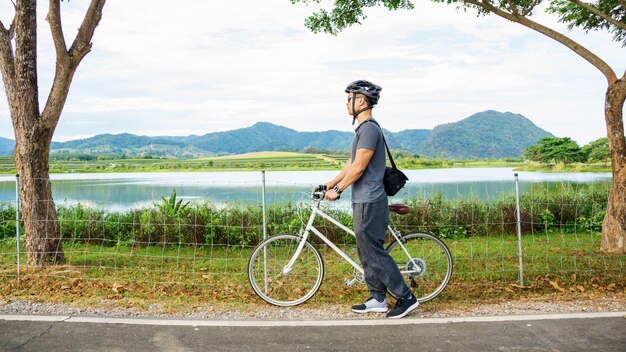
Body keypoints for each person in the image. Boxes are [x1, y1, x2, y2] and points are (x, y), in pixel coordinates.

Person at [320, 80, 419, 319]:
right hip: (363, 199)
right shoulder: (363, 130)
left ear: (361, 101)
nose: (346, 103)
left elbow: (360, 167)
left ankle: (405, 296)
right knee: (366, 252)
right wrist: (331, 183)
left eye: (349, 99)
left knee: (373, 252)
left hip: (370, 200)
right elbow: (351, 164)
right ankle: (378, 298)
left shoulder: (369, 129)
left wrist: (339, 190)